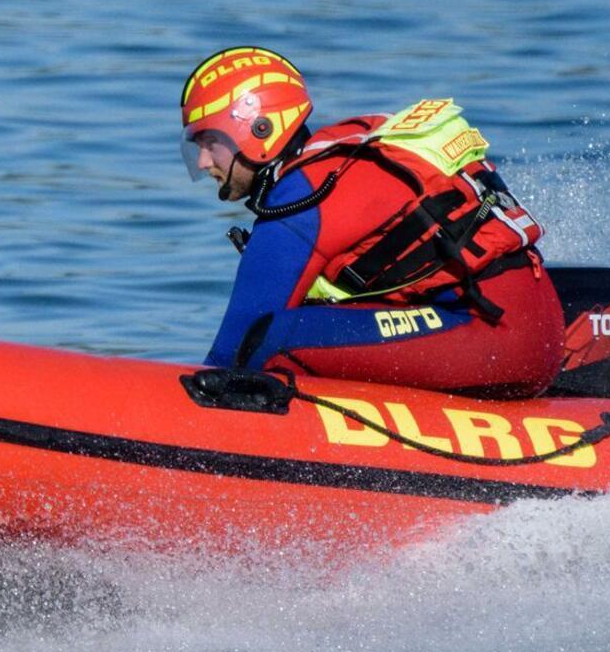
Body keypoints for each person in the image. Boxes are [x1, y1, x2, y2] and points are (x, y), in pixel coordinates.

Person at [180, 46, 564, 397]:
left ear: (258, 130)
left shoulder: (300, 197)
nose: (202, 162)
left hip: (496, 339)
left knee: (270, 337)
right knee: (310, 324)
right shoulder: (345, 149)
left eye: (209, 142)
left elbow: (233, 350)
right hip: (531, 330)